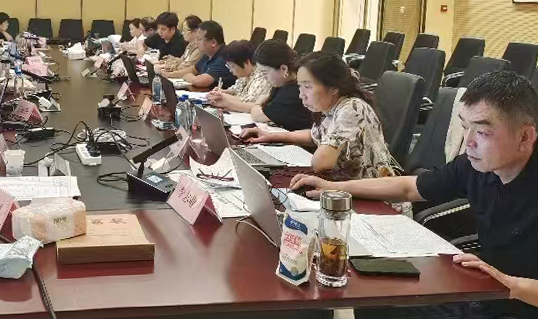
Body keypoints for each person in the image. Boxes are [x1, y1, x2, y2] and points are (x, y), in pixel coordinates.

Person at [291, 71, 538, 318]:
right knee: (376, 304)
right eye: (465, 127)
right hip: (487, 293)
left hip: (518, 302)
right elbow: (408, 188)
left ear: (525, 136)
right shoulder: (475, 165)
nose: (468, 142)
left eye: (482, 132)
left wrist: (509, 284)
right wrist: (332, 187)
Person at [240, 51, 399, 179]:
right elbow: (314, 136)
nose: (301, 95)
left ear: (334, 87)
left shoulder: (352, 108)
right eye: (300, 86)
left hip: (378, 198)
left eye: (308, 87)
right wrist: (271, 136)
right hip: (350, 187)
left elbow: (320, 163)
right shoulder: (332, 106)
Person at [208, 40, 272, 111]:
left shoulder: (261, 78)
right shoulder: (244, 75)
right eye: (228, 66)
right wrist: (222, 92)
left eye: (232, 66)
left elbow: (247, 102)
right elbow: (235, 90)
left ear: (247, 62)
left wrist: (222, 97)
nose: (230, 70)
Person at [173, 20, 236, 89]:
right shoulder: (207, 54)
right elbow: (193, 69)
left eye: (199, 39)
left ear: (213, 43)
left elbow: (200, 82)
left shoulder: (224, 57)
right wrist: (168, 74)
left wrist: (189, 76)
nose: (196, 42)